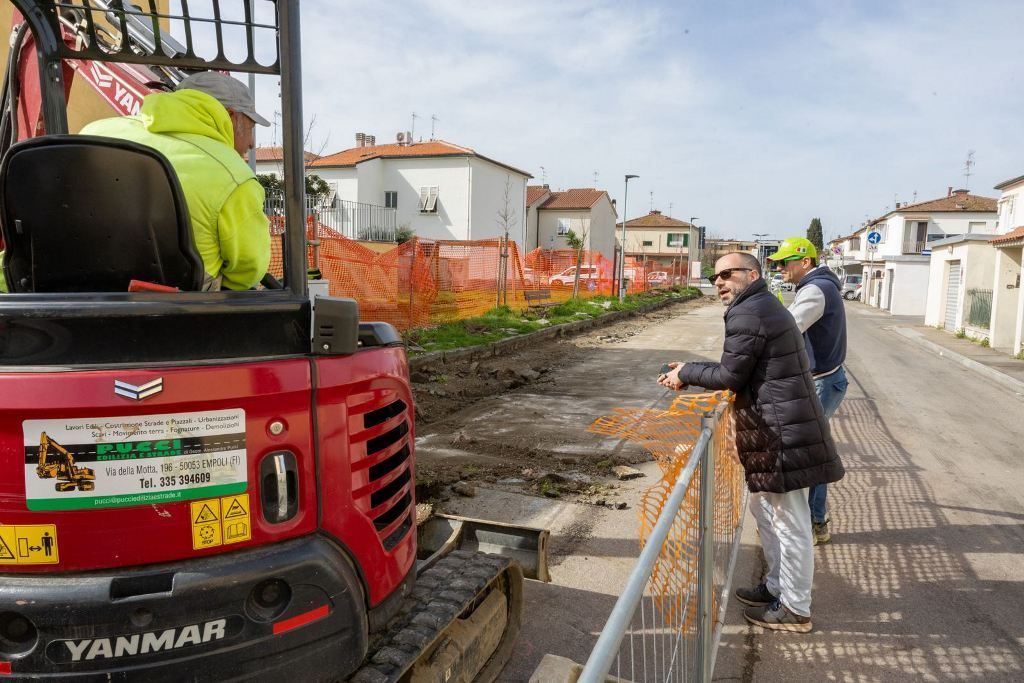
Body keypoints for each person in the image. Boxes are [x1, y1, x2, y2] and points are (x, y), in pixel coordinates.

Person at [658, 251, 844, 632]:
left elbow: (730, 374)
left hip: (780, 434)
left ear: (752, 273)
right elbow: (741, 366)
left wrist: (686, 372)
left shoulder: (749, 311)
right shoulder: (762, 304)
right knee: (769, 514)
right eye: (714, 277)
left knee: (789, 521)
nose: (720, 282)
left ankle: (794, 607)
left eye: (728, 274)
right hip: (780, 429)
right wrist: (688, 370)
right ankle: (777, 588)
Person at [80, 71, 271, 290]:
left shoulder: (94, 132)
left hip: (85, 289)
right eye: (250, 128)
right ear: (229, 116)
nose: (252, 143)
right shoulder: (234, 175)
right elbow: (247, 271)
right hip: (181, 305)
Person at [768, 237, 848, 545]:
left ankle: (812, 524)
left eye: (785, 261)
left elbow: (788, 329)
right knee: (810, 450)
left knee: (809, 454)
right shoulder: (818, 286)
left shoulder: (815, 290)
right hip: (826, 378)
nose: (779, 267)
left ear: (805, 262)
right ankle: (815, 522)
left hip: (823, 381)